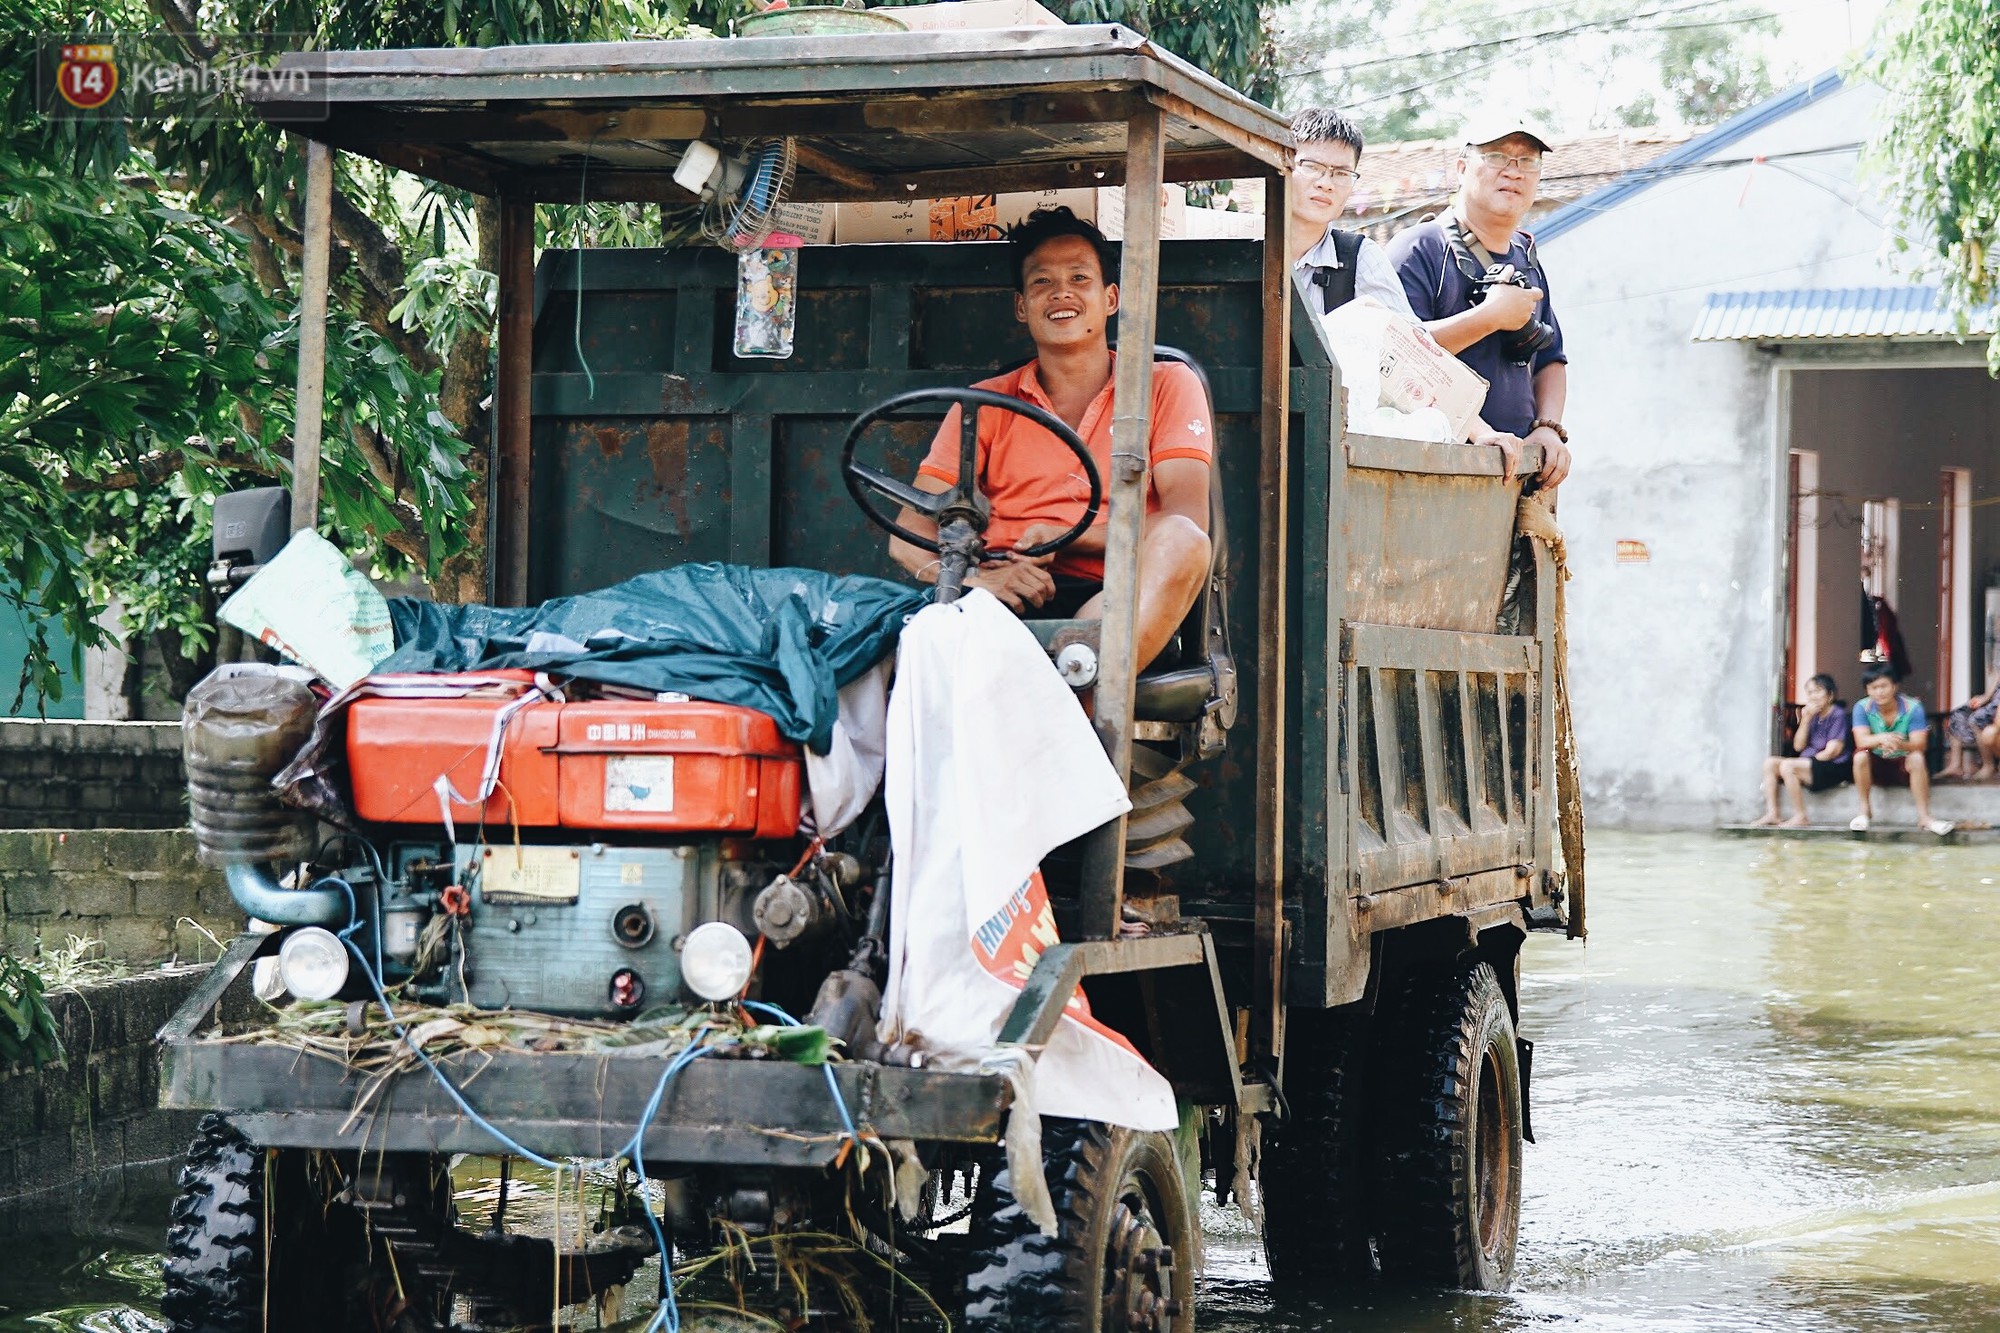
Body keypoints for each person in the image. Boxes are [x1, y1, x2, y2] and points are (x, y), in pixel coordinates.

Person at [885, 206, 1212, 671]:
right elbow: (908, 536)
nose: (1061, 293)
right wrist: (975, 583)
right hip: (1004, 599)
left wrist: (1069, 537)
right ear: (1022, 306)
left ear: (1111, 298)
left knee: (1183, 539)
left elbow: (1186, 522)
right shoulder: (984, 403)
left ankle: (1079, 682)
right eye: (1041, 282)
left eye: (1080, 278)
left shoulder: (1166, 384)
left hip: (1119, 596)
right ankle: (1073, 692)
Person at [1287, 106, 1531, 478]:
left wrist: (1480, 432)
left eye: (1340, 173)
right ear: (1284, 163)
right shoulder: (1238, 243)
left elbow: (1413, 355)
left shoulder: (1359, 258)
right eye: (1313, 167)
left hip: (1320, 452)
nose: (1326, 183)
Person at [1387, 108, 1572, 488]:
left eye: (1527, 161)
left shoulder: (1527, 256)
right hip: (1432, 473)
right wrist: (1489, 318)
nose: (1514, 171)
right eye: (1496, 157)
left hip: (1516, 475)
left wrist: (1548, 429)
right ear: (1461, 168)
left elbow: (1551, 360)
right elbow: (1396, 355)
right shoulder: (1419, 249)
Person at [1849, 663, 1952, 835]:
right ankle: (1864, 811)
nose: (1879, 692)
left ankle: (1924, 816)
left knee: (1917, 757)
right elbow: (1861, 740)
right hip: (1876, 764)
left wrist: (1898, 744)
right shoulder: (1861, 707)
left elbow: (1920, 744)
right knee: (1860, 756)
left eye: (1883, 686)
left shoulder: (1913, 707)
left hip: (1903, 763)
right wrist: (1883, 738)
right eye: (1873, 687)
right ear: (1867, 690)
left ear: (1895, 686)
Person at [1755, 673, 1849, 827]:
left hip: (1832, 767)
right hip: (1812, 764)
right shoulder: (1811, 715)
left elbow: (1833, 751)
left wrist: (1803, 763)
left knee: (1788, 766)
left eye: (1818, 691)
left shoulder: (1837, 714)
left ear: (1830, 694)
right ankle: (1773, 814)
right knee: (1770, 763)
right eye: (1810, 692)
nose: (1813, 696)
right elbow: (1798, 746)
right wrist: (1805, 719)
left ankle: (1801, 816)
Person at [1941, 670, 1999, 781]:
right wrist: (1986, 697)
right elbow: (1998, 674)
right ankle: (1955, 765)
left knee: (1977, 718)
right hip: (1995, 696)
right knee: (1959, 714)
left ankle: (1988, 765)